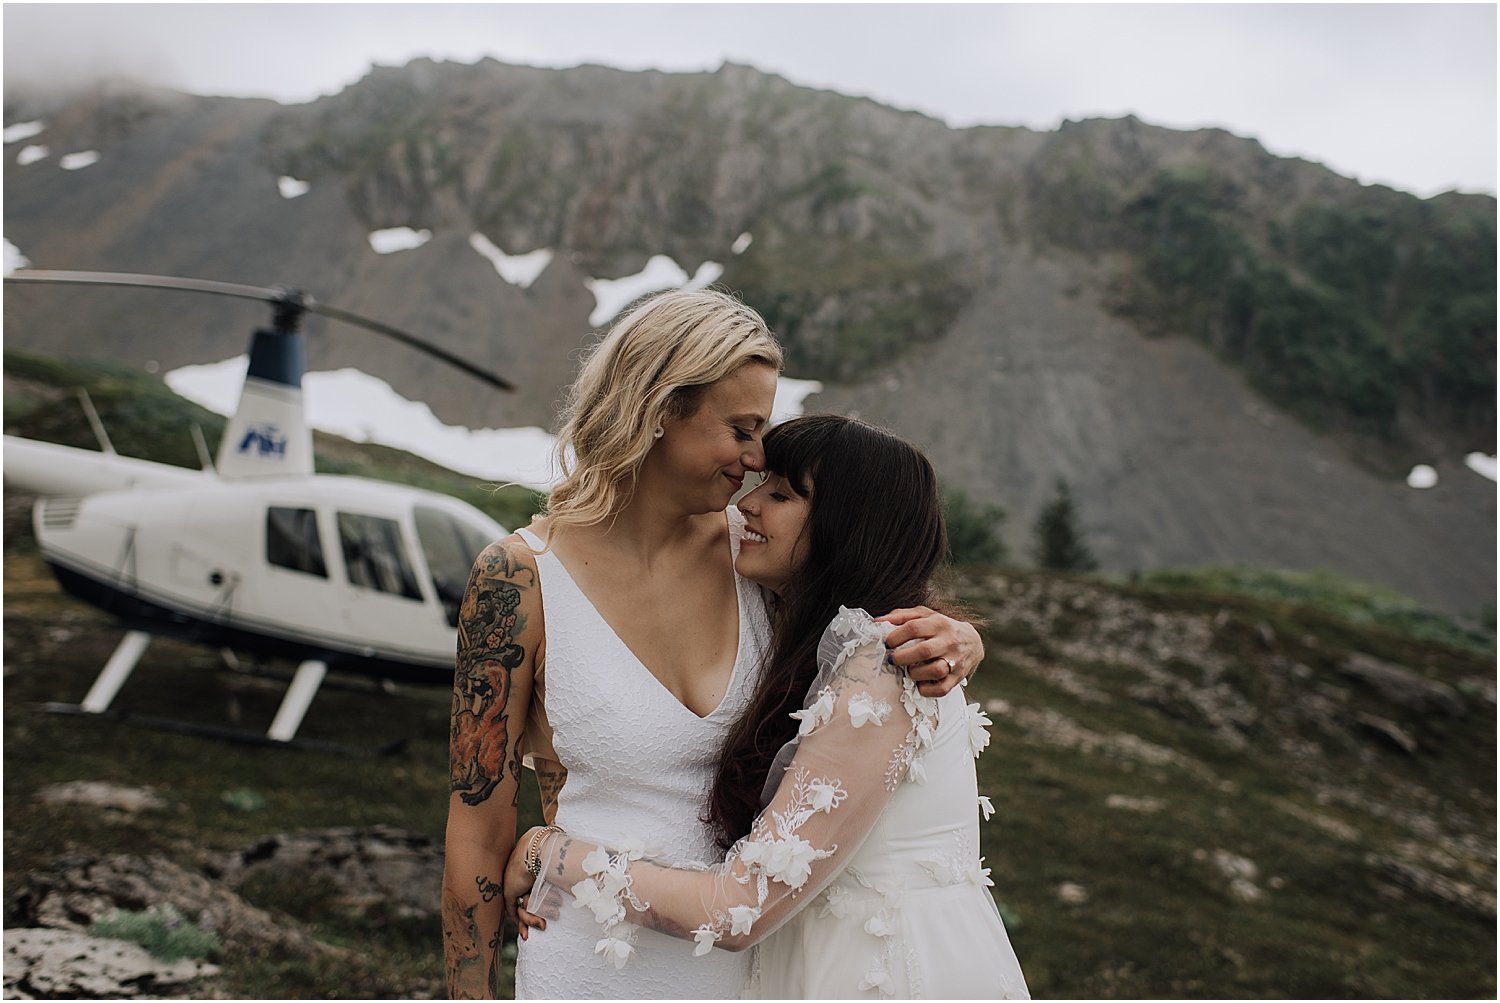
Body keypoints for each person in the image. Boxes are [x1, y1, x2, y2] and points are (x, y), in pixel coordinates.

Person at [442, 291, 984, 999]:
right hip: (586, 960)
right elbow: (478, 832)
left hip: (753, 966)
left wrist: (958, 633)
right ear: (662, 410)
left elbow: (868, 614)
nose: (758, 457)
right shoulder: (519, 579)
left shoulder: (757, 556)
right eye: (742, 427)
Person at [505, 414, 1029, 1000]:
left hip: (881, 974)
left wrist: (550, 853)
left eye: (779, 494)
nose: (747, 505)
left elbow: (739, 909)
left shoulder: (880, 670)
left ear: (846, 528)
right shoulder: (820, 640)